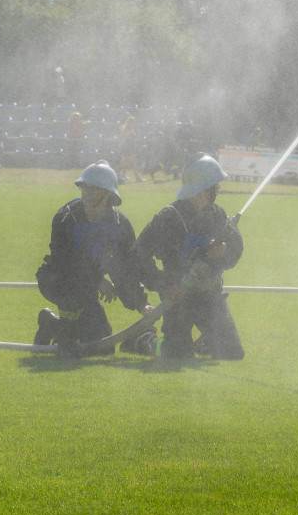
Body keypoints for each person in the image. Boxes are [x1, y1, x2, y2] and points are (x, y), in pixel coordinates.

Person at [129, 153, 244, 360]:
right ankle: (145, 340)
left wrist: (223, 252)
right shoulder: (169, 218)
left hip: (210, 297)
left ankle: (208, 340)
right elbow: (138, 255)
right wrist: (164, 286)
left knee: (232, 352)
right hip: (178, 299)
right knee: (176, 354)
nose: (219, 189)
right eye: (215, 185)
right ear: (204, 188)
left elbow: (236, 251)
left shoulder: (217, 214)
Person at [33, 160, 152, 357]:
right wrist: (97, 281)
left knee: (103, 349)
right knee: (69, 351)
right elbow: (66, 264)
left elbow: (127, 270)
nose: (86, 193)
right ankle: (62, 330)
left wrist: (141, 303)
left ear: (108, 194)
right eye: (84, 187)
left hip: (87, 288)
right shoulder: (65, 218)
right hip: (59, 282)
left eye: (93, 189)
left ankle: (50, 323)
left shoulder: (120, 224)